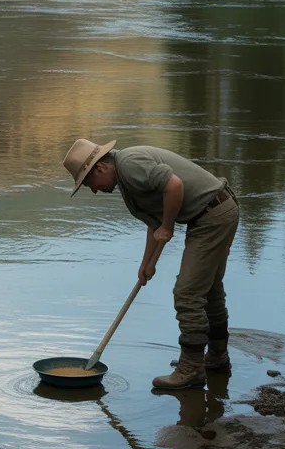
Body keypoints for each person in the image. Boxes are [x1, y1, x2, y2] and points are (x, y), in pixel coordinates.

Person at [62, 138, 239, 391]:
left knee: (188, 293)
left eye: (89, 183)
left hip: (212, 215)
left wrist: (168, 226)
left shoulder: (129, 164)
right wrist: (148, 263)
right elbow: (154, 221)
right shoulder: (125, 176)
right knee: (208, 290)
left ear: (100, 168)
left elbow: (174, 186)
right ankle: (216, 359)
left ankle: (191, 369)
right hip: (215, 211)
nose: (93, 190)